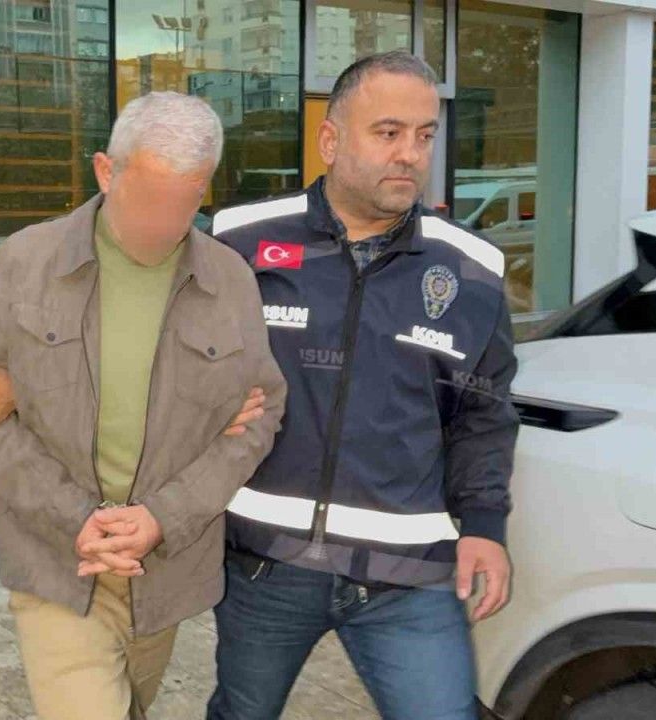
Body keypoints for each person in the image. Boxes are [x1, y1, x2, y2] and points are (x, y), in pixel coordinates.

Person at [206, 51, 520, 720]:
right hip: (264, 563)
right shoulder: (241, 241)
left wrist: (485, 525)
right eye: (388, 132)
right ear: (331, 139)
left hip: (409, 575)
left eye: (424, 135)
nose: (410, 153)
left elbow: (483, 412)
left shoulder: (470, 268)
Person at [0, 91, 287, 720]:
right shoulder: (27, 260)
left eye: (187, 201)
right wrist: (76, 517)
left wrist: (164, 516)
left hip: (160, 569)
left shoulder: (230, 280)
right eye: (150, 199)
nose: (165, 223)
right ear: (106, 171)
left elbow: (261, 414)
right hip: (58, 560)